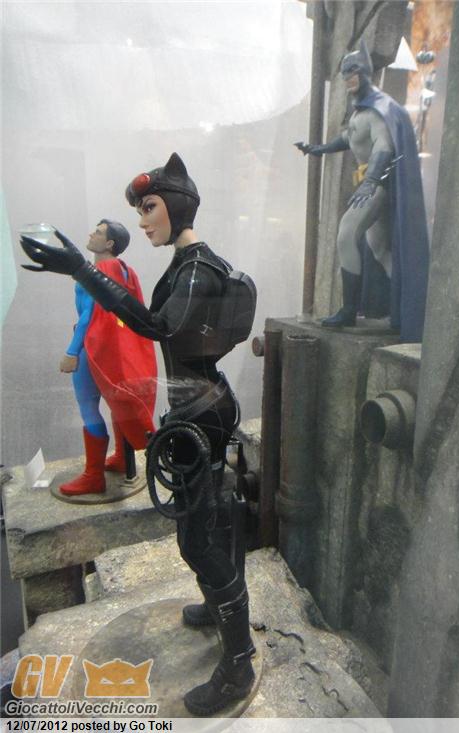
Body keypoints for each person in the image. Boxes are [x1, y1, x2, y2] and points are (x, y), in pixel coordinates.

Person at [20, 152, 256, 717]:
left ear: (175, 206)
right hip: (196, 406)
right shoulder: (187, 265)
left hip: (202, 411)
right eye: (141, 210)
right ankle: (218, 608)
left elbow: (154, 326)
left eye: (149, 208)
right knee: (206, 525)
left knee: (200, 539)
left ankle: (238, 663)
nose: (143, 220)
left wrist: (82, 270)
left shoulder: (195, 270)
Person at [297, 40, 429, 343]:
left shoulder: (381, 109)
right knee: (380, 249)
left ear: (366, 72)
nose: (348, 77)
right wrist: (317, 149)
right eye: (345, 72)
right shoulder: (362, 111)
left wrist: (370, 181)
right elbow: (349, 139)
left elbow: (384, 146)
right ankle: (405, 307)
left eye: (353, 71)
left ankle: (348, 310)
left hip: (377, 184)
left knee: (346, 234)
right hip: (371, 184)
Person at [58, 219, 157, 496]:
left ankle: (93, 476)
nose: (92, 234)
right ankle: (122, 458)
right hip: (114, 349)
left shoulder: (99, 271)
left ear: (110, 243)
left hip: (93, 348)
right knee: (117, 403)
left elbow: (88, 316)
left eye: (99, 232)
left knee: (89, 407)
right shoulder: (124, 269)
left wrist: (71, 351)